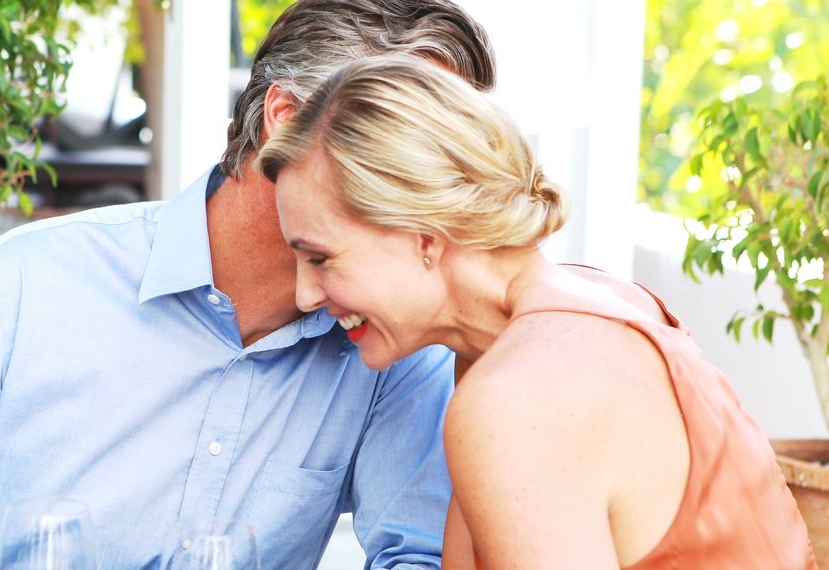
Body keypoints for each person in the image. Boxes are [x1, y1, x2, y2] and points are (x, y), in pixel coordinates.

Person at [0, 2, 497, 569]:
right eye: (407, 146)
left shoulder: (393, 344)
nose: (433, 188)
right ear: (286, 122)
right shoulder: (26, 284)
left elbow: (418, 557)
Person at [260, 55, 815, 569]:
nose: (306, 296)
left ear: (422, 235)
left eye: (321, 258)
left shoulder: (519, 395)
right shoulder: (583, 310)